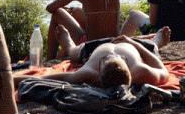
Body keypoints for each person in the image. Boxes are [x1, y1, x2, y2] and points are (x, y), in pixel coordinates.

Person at [16, 27, 170, 88]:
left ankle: (68, 44)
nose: (113, 54)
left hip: (95, 47)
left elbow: (44, 78)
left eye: (107, 58)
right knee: (152, 48)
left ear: (99, 73)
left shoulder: (89, 73)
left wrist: (8, 78)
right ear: (125, 61)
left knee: (74, 53)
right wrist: (132, 43)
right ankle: (155, 40)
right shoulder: (140, 70)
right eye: (116, 57)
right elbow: (161, 69)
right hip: (133, 45)